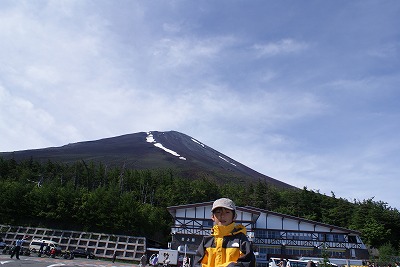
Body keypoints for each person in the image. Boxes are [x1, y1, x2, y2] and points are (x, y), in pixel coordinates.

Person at [194, 198, 256, 267]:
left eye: (227, 212)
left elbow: (248, 263)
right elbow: (197, 264)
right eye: (218, 212)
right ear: (212, 217)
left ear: (234, 216)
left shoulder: (241, 240)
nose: (222, 216)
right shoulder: (207, 241)